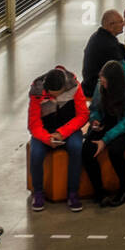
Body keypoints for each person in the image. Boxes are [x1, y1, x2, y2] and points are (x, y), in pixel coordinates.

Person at [27, 66, 89, 212]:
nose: (53, 98)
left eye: (57, 95)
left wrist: (62, 132)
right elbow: (33, 124)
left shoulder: (75, 86)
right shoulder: (36, 91)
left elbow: (83, 115)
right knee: (35, 154)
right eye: (51, 95)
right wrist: (47, 138)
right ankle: (38, 192)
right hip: (45, 132)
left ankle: (73, 193)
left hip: (69, 129)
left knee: (76, 148)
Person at [81, 60, 125, 208]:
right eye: (102, 82)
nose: (103, 85)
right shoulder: (100, 85)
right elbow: (95, 108)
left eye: (105, 82)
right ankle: (99, 191)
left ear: (114, 82)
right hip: (106, 123)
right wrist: (95, 120)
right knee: (87, 150)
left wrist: (105, 140)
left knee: (115, 151)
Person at [80, 10, 125, 99]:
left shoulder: (99, 36)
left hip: (88, 84)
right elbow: (122, 68)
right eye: (120, 22)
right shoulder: (109, 45)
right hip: (96, 89)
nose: (124, 24)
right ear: (111, 25)